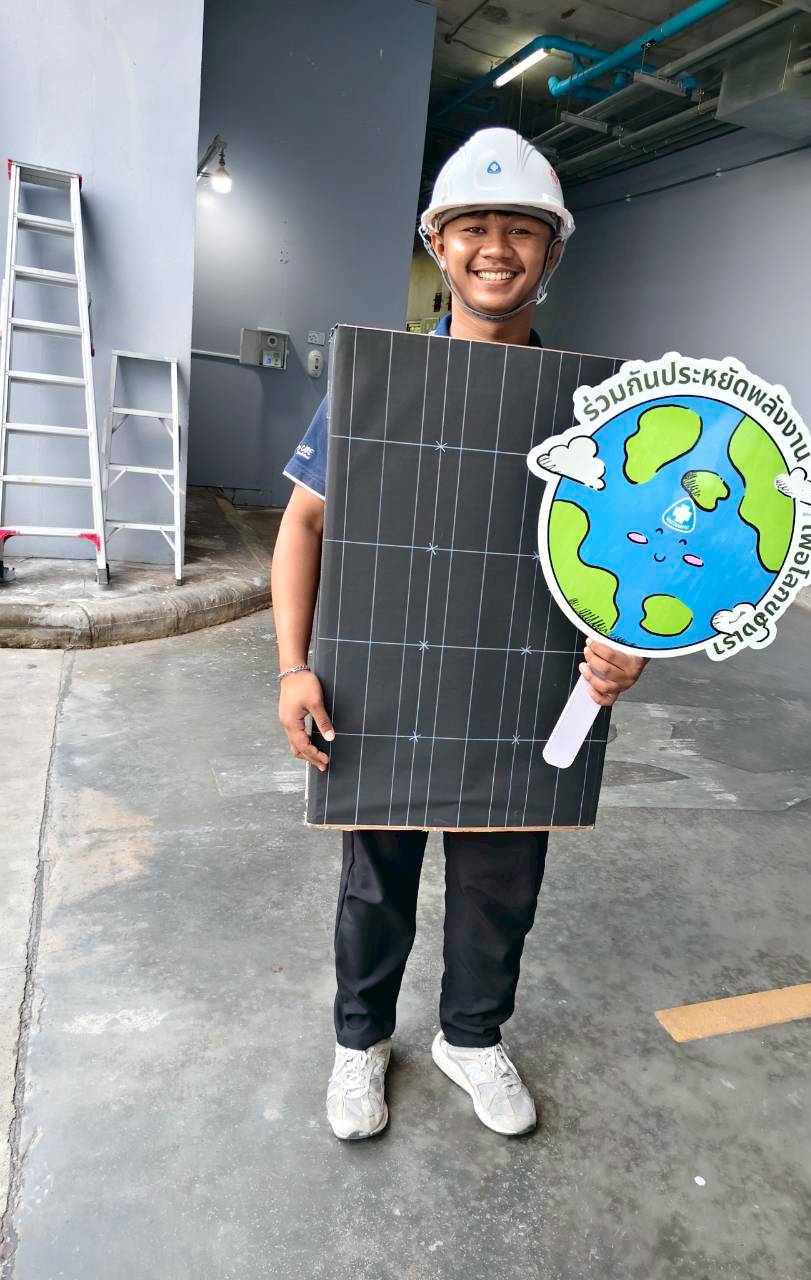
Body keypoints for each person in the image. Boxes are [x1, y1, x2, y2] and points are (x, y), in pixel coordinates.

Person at [271, 128, 648, 1141]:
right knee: (373, 885)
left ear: (553, 249)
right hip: (384, 685)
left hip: (525, 694)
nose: (495, 248)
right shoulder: (378, 382)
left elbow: (637, 564)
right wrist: (294, 666)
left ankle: (471, 1037)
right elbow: (303, 526)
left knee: (501, 891)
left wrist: (627, 648)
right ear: (437, 244)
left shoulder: (595, 412)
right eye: (472, 227)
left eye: (520, 229)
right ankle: (361, 1042)